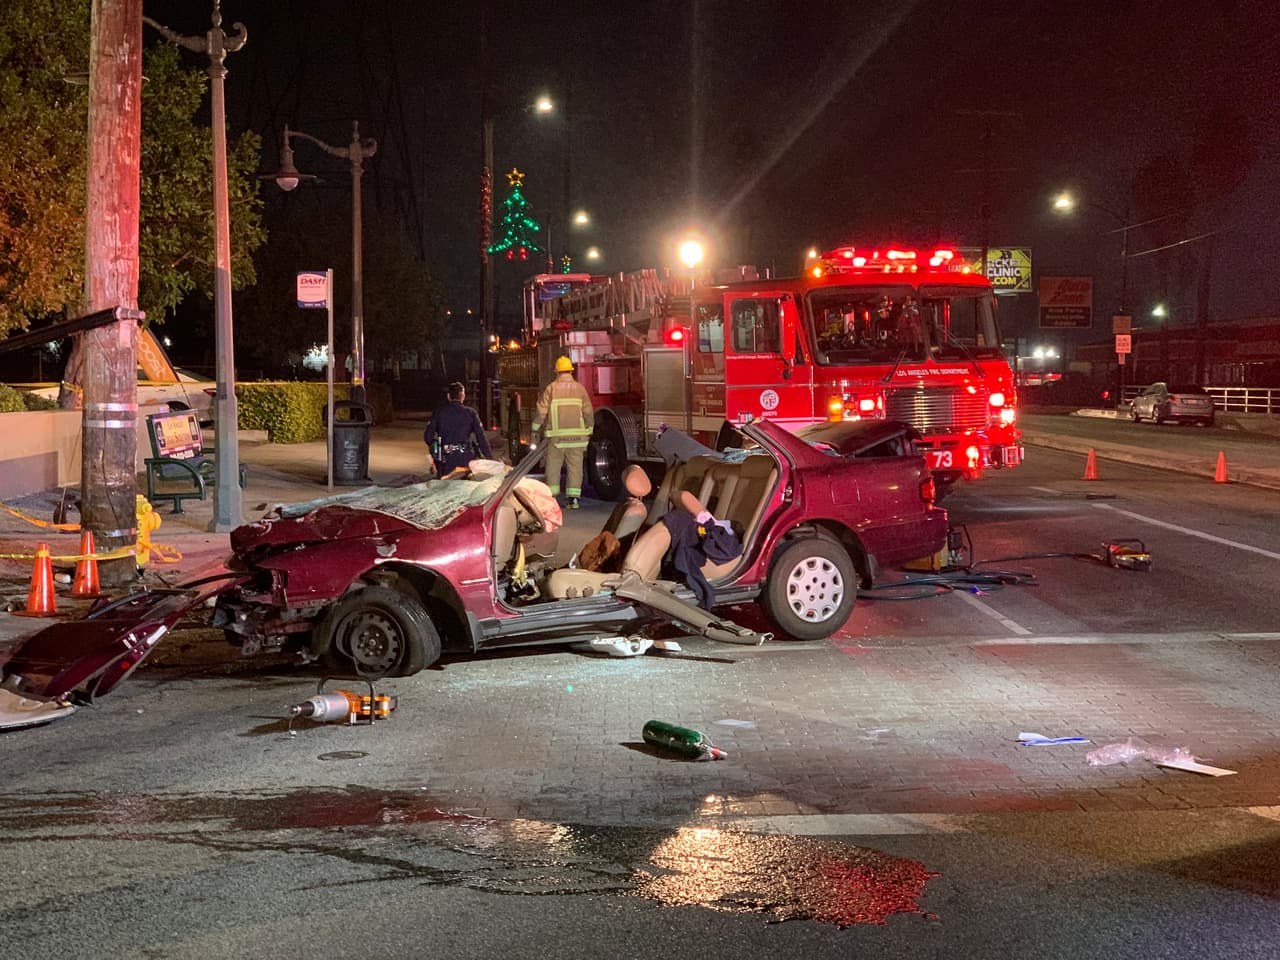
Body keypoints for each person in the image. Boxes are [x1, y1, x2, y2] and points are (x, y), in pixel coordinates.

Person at [532, 355, 593, 509]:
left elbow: (542, 411)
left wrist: (535, 428)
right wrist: (589, 428)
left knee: (553, 467)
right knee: (575, 468)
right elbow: (588, 411)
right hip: (577, 438)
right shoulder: (580, 388)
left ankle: (552, 499)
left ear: (557, 371)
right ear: (571, 371)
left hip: (556, 438)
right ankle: (574, 500)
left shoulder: (551, 388)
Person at [424, 381, 491, 477]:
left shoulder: (438, 412)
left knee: (435, 447)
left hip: (445, 460)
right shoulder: (471, 413)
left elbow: (428, 437)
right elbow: (481, 439)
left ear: (448, 396)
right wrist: (490, 459)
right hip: (465, 459)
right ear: (463, 396)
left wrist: (437, 451)